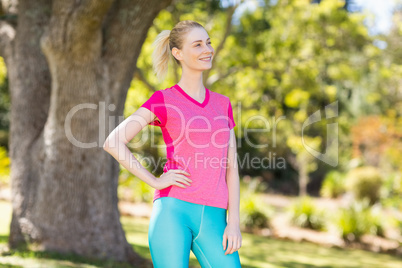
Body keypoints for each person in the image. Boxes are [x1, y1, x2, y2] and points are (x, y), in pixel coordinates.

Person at [103, 20, 242, 268]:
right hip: (172, 212)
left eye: (208, 42)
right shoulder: (163, 100)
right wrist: (155, 181)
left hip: (215, 218)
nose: (207, 49)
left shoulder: (223, 104)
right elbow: (113, 142)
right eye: (197, 44)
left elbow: (231, 168)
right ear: (178, 53)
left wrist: (234, 223)